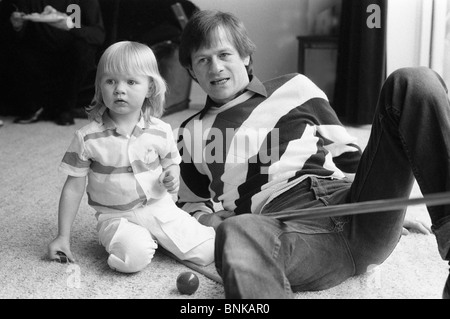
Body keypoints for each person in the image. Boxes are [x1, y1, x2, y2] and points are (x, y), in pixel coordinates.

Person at [176, 10, 450, 298]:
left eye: (224, 54)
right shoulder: (191, 132)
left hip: (353, 206)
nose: (215, 67)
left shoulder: (296, 87)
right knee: (236, 230)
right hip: (288, 230)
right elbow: (188, 204)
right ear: (192, 71)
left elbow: (348, 156)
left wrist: (389, 203)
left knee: (414, 81)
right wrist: (210, 220)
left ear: (244, 55)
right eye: (203, 60)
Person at [47, 41, 215, 273]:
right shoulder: (87, 138)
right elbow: (73, 189)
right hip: (116, 217)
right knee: (133, 259)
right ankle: (144, 240)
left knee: (208, 251)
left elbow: (172, 163)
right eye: (110, 81)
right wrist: (62, 236)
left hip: (159, 208)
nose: (119, 89)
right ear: (100, 88)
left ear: (150, 88)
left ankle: (160, 236)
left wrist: (172, 175)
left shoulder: (161, 130)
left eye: (131, 81)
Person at [6, 0, 105, 125]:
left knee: (83, 49)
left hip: (71, 54)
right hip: (39, 52)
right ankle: (36, 108)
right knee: (18, 50)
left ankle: (65, 110)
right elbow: (15, 37)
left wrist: (70, 26)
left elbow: (98, 35)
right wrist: (16, 25)